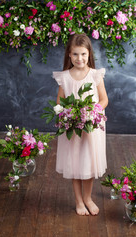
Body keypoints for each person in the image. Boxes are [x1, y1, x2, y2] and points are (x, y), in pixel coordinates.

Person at [52, 33, 108, 216]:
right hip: (73, 128)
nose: (79, 58)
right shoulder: (65, 77)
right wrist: (68, 115)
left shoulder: (94, 75)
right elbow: (59, 103)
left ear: (89, 53)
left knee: (89, 163)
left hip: (91, 128)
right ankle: (78, 201)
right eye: (75, 54)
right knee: (75, 164)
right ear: (69, 54)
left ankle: (88, 198)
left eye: (83, 54)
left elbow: (104, 99)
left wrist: (93, 112)